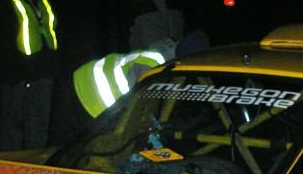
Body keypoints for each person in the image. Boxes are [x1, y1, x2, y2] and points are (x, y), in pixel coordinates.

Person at [48, 29, 210, 146]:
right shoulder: (154, 64)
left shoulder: (167, 55)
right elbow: (136, 104)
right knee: (71, 152)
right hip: (85, 93)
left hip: (85, 85)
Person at [0, 0, 61, 151]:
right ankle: (10, 171)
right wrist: (11, 75)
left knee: (38, 128)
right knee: (13, 128)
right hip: (17, 77)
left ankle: (36, 169)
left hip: (44, 74)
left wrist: (53, 66)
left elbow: (53, 31)